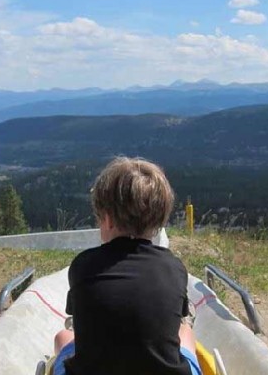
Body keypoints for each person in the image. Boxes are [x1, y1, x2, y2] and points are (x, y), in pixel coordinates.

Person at [52, 157, 202, 375]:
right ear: (158, 219)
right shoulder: (173, 267)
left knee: (62, 337)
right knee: (185, 331)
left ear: (108, 219)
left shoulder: (83, 266)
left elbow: (80, 321)